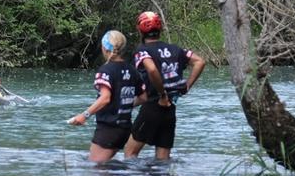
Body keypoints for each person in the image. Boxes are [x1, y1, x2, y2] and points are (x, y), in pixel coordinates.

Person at [124, 11, 207, 160]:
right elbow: (199, 61)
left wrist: (162, 94)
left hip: (153, 106)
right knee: (163, 159)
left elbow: (151, 69)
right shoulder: (175, 49)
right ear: (160, 29)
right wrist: (187, 85)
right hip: (170, 110)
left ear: (140, 30)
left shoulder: (142, 50)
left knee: (130, 153)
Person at [67, 29, 142, 163]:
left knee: (97, 171)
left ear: (104, 48)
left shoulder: (105, 71)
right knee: (105, 169)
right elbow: (145, 96)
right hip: (125, 128)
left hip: (108, 128)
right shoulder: (132, 70)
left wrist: (84, 116)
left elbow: (105, 98)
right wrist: (124, 103)